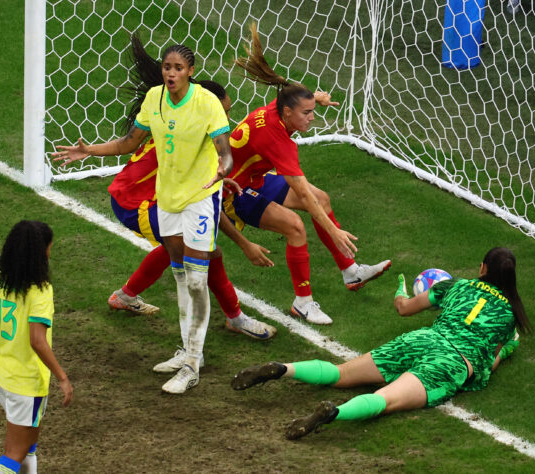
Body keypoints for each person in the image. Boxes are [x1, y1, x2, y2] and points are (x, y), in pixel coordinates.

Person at [53, 40, 235, 394]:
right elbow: (129, 143)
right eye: (167, 67)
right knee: (181, 278)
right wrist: (88, 150)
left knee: (198, 280)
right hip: (166, 200)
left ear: (190, 72)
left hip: (200, 198)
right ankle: (186, 350)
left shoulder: (206, 102)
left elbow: (225, 153)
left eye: (178, 68)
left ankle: (193, 366)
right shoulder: (154, 99)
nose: (171, 73)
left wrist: (221, 172)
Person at [231, 247, 530, 440]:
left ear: (482, 269)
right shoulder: (509, 316)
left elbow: (404, 308)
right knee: (385, 400)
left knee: (340, 374)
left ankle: (284, 368)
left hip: (422, 339)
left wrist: (400, 291)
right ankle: (334, 413)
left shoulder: (456, 285)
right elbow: (487, 362)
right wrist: (507, 349)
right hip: (450, 363)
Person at [104, 35, 276, 346]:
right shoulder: (187, 134)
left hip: (137, 195)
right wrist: (245, 243)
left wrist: (220, 178)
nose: (225, 121)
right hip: (135, 203)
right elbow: (210, 211)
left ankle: (125, 296)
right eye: (221, 113)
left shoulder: (185, 126)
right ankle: (236, 318)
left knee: (178, 247)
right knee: (208, 252)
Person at [224, 24, 391, 325]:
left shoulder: (281, 107)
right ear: (288, 113)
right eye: (308, 113)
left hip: (253, 180)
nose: (312, 118)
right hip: (232, 194)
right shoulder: (278, 140)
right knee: (296, 226)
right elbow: (299, 191)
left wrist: (318, 99)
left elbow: (299, 99)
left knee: (322, 199)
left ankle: (350, 273)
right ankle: (303, 302)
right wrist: (334, 230)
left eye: (313, 111)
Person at [0, 220, 73, 473]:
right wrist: (62, 377)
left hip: (1, 377)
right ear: (42, 252)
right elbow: (37, 341)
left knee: (29, 445)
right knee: (14, 453)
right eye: (50, 247)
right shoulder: (40, 291)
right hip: (25, 384)